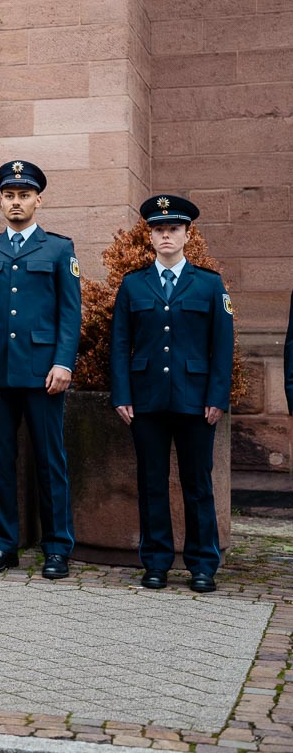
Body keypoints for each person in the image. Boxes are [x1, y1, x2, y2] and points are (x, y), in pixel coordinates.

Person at [0, 161, 79, 580]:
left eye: (23, 195)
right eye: (9, 196)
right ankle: (4, 544)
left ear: (37, 200)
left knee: (50, 461)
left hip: (45, 371)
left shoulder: (59, 249)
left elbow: (70, 313)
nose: (15, 202)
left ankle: (58, 547)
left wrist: (64, 361)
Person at [110, 195, 233, 593]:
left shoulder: (210, 284)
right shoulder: (133, 285)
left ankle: (202, 563)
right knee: (152, 482)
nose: (166, 235)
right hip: (146, 400)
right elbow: (120, 343)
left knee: (198, 482)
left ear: (186, 234)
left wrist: (218, 396)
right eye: (159, 230)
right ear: (150, 236)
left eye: (173, 229)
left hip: (196, 400)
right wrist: (121, 394)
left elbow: (223, 346)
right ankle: (157, 561)